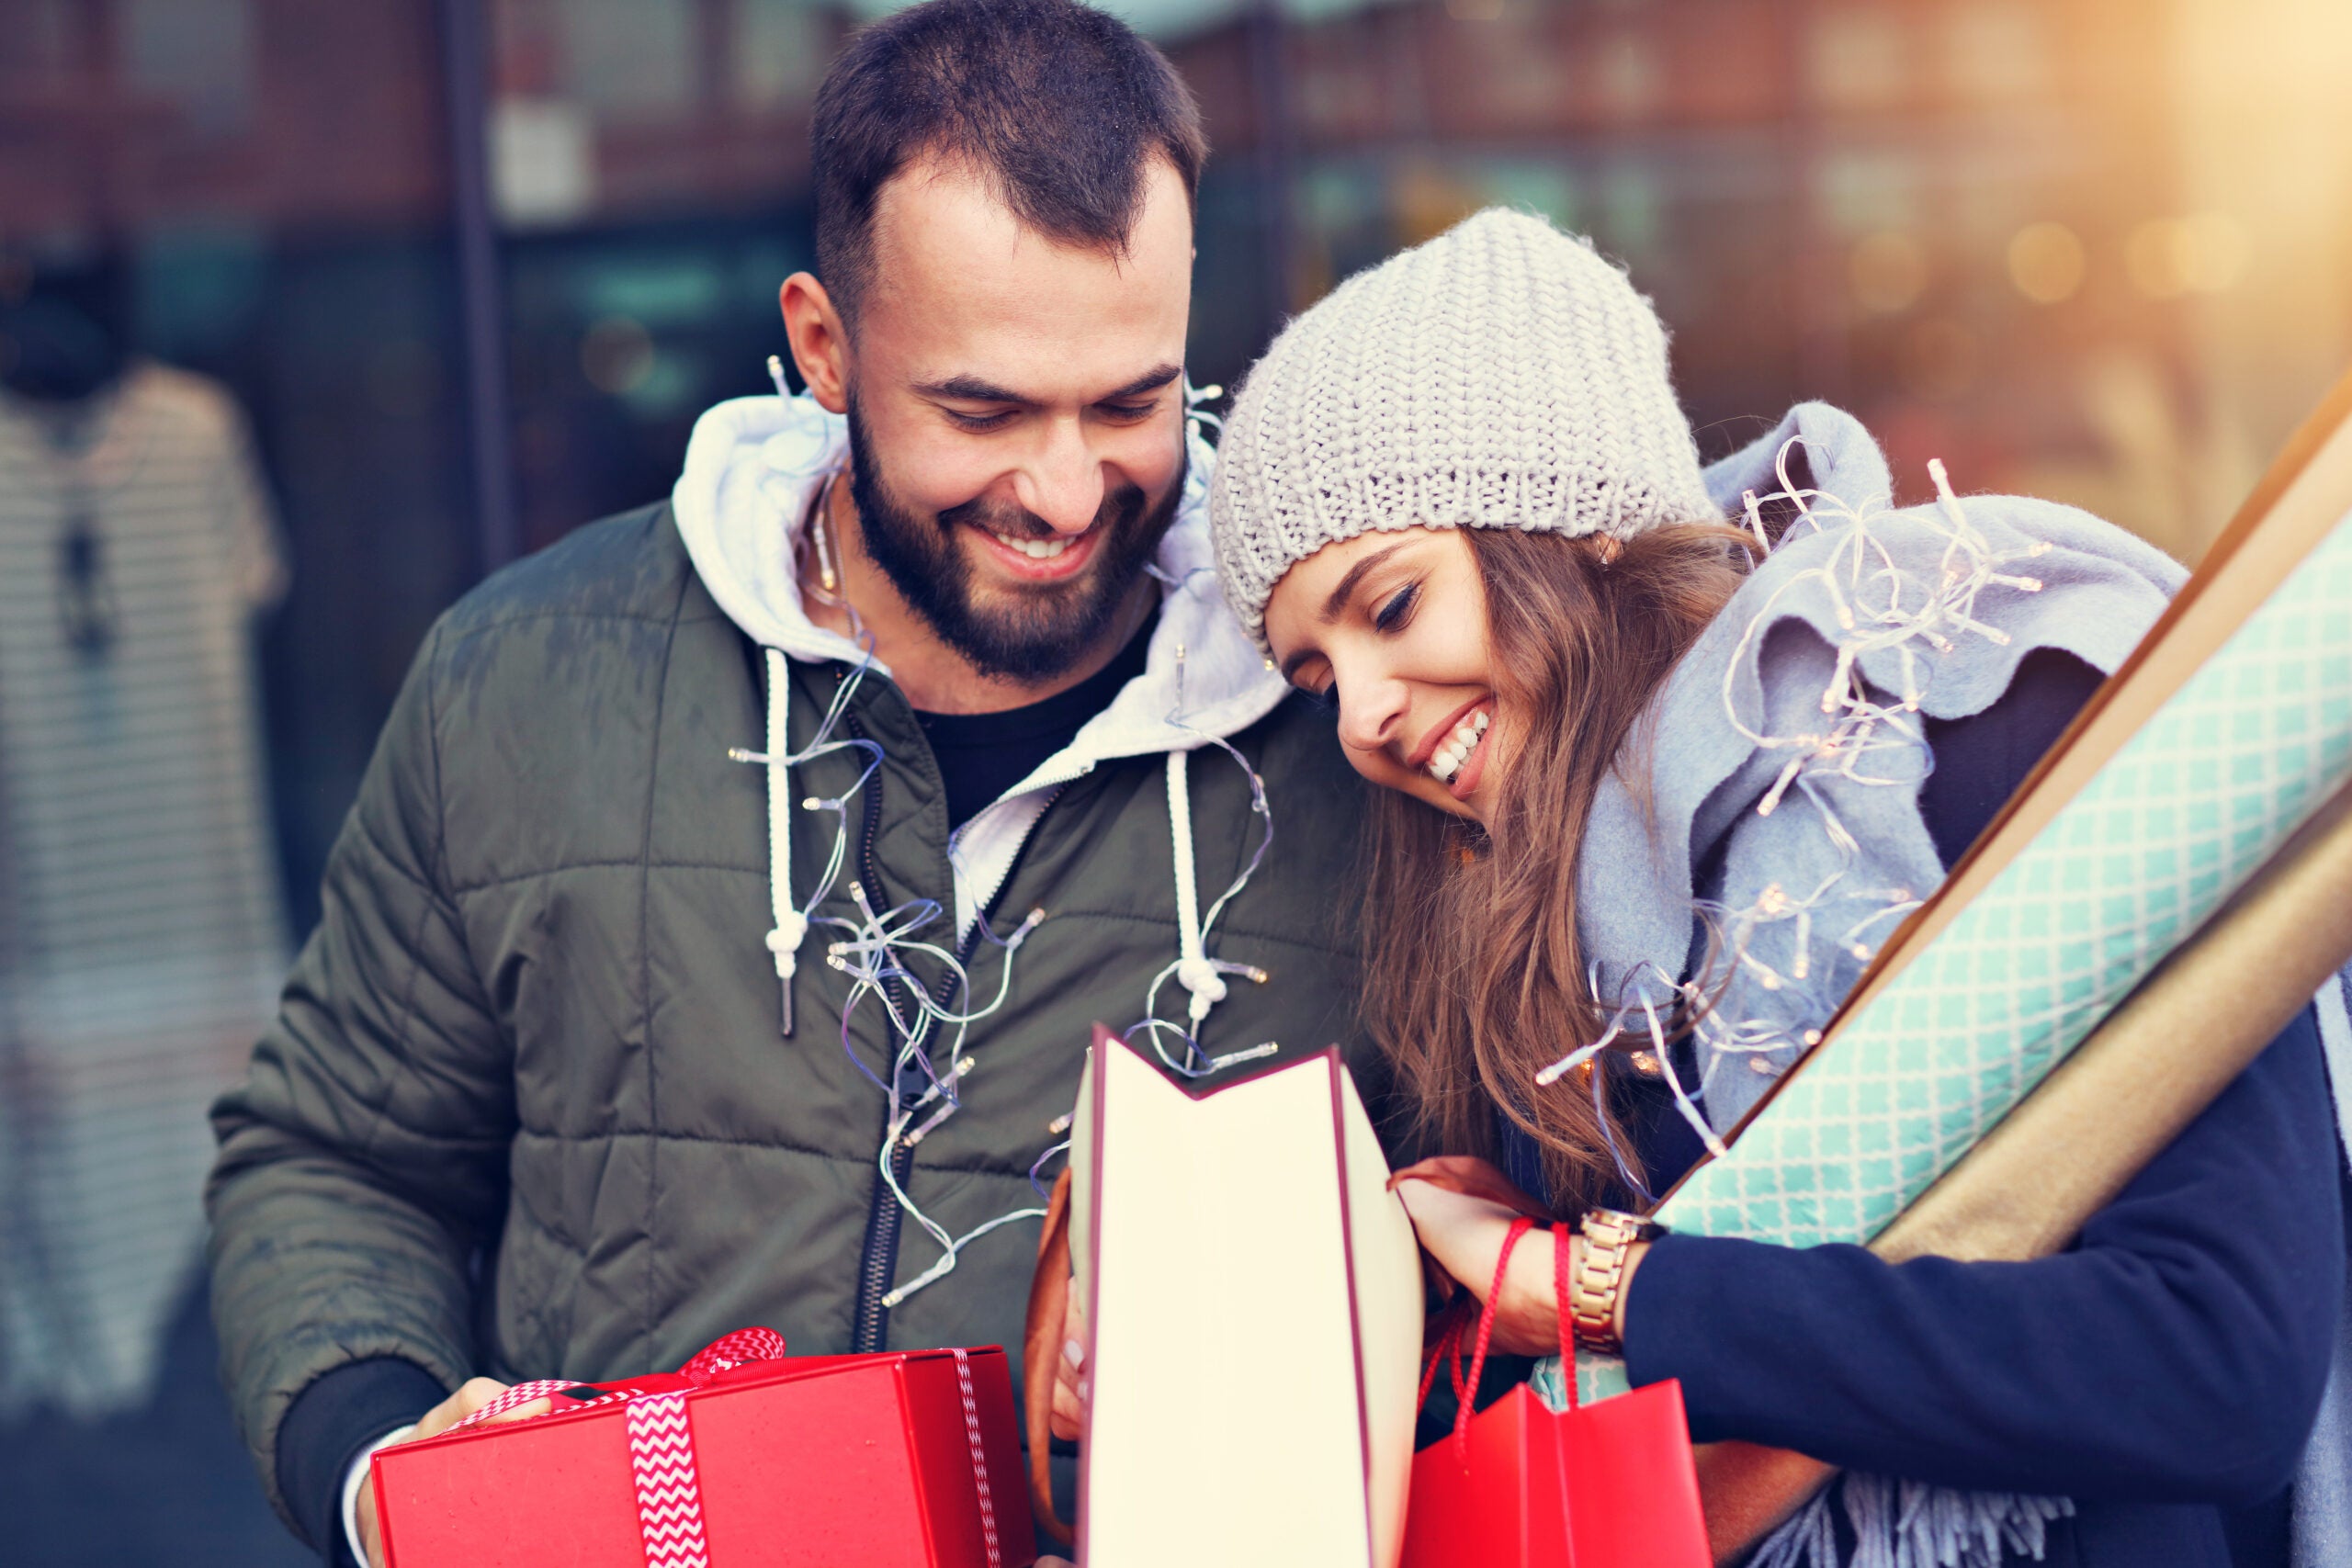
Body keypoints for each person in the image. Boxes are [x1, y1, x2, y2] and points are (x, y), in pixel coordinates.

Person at [203, 3, 1370, 1563]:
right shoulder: (524, 676)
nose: (1068, 490)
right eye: (984, 411)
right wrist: (386, 1467)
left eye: (1129, 400)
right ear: (824, 346)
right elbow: (338, 1160)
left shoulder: (1354, 722)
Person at [1200, 209, 2344, 1568]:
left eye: (1388, 607)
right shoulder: (1522, 952)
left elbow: (2214, 1366)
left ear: (1567, 519)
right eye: (1318, 677)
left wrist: (1619, 1291)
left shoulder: (1985, 705)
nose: (1364, 720)